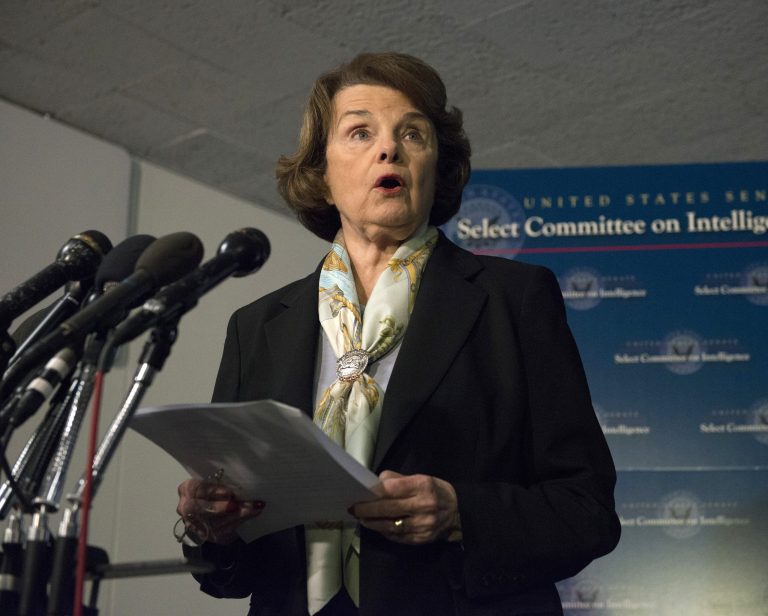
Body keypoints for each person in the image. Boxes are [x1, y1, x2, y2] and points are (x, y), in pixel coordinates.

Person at [176, 52, 620, 616]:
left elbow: (586, 510)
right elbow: (231, 575)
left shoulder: (515, 300)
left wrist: (462, 513)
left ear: (437, 169)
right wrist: (215, 528)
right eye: (360, 132)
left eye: (413, 133)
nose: (389, 148)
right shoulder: (257, 326)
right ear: (321, 174)